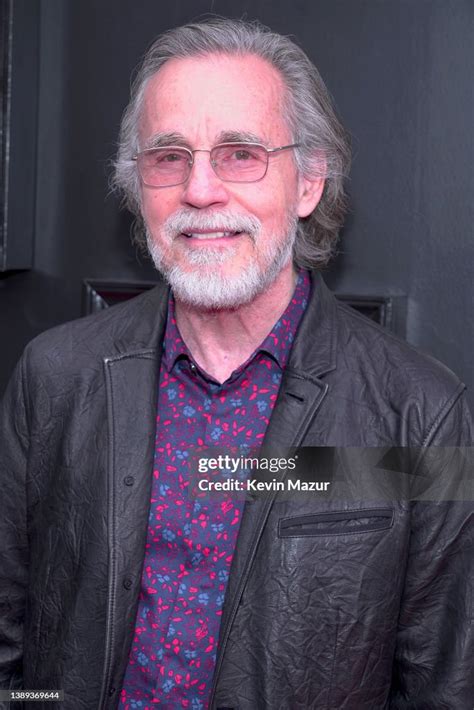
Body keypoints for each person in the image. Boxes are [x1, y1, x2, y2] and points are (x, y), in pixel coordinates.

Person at [0, 17, 472, 710]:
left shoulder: (421, 412)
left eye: (240, 153)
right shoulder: (54, 374)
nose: (199, 191)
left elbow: (443, 683)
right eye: (168, 157)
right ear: (138, 187)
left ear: (309, 182)